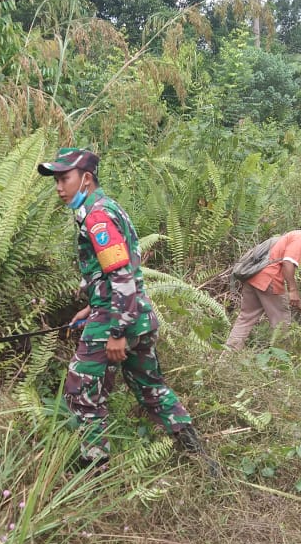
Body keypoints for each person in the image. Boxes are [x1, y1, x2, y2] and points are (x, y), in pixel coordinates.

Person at [38, 147, 214, 472]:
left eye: (64, 178)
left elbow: (120, 276)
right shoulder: (107, 208)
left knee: (81, 390)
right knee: (150, 387)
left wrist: (116, 331)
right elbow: (120, 273)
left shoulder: (97, 218)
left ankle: (94, 467)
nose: (59, 187)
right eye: (56, 180)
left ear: (86, 179)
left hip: (117, 320)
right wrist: (92, 306)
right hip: (135, 314)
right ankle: (199, 455)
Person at [224, 218, 301, 350]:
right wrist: (293, 291)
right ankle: (281, 360)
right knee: (282, 323)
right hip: (269, 280)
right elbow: (288, 263)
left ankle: (228, 353)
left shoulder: (291, 234)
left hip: (253, 277)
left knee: (246, 318)